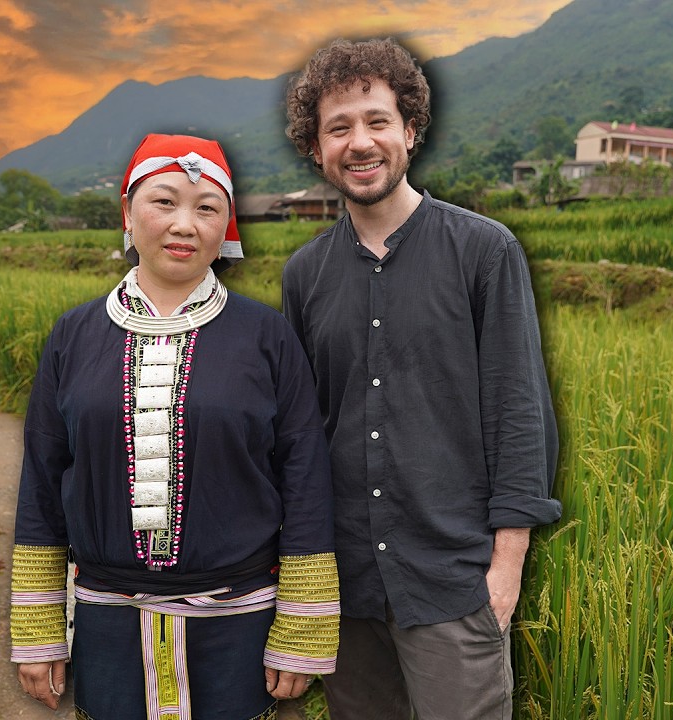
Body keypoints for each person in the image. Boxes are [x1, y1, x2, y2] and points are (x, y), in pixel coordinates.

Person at [10, 133, 340, 720]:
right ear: (129, 216)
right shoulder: (73, 336)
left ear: (227, 228)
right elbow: (41, 479)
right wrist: (39, 627)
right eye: (164, 202)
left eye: (206, 207)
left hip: (240, 622)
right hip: (107, 623)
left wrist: (303, 623)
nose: (184, 224)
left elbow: (306, 478)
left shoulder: (267, 337)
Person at [280, 38, 562, 719]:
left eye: (376, 121)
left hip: (452, 578)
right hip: (348, 583)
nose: (360, 142)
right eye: (338, 128)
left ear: (409, 128)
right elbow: (299, 432)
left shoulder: (483, 250)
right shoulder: (305, 275)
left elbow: (518, 409)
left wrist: (507, 564)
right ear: (316, 150)